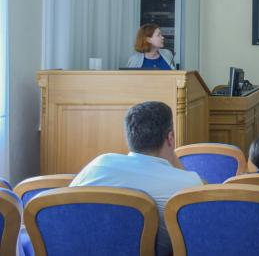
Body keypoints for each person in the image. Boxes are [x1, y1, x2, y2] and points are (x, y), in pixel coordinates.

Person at [70, 101, 203, 256]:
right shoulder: (188, 185)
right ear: (170, 138)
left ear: (130, 136)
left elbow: (65, 211)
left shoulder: (98, 165)